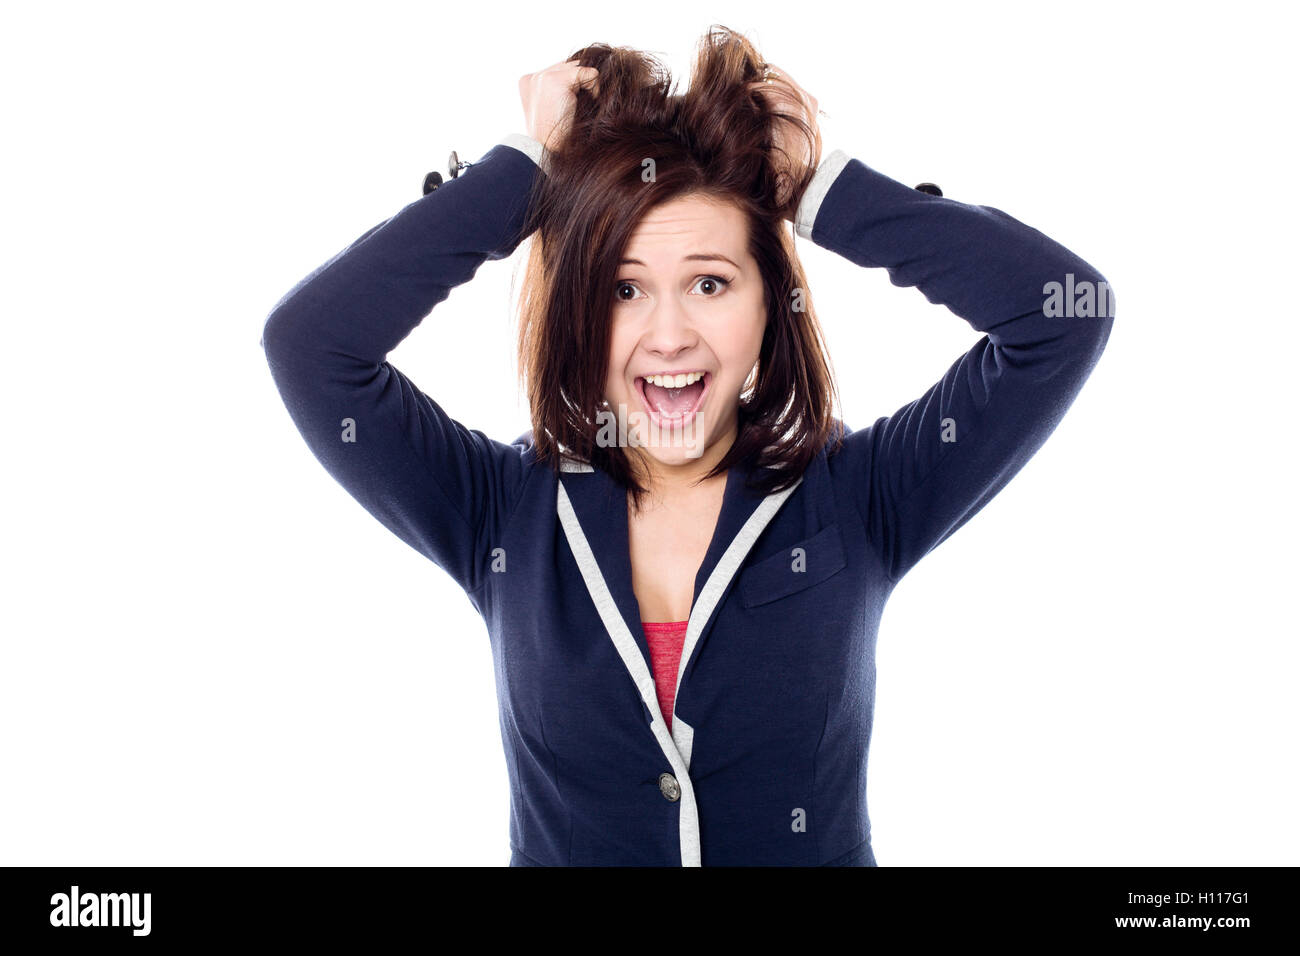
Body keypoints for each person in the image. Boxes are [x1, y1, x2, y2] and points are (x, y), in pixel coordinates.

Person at [259, 25, 1114, 866]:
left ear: (770, 302)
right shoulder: (500, 510)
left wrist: (821, 190)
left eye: (710, 282)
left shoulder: (858, 497)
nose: (668, 334)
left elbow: (1063, 310)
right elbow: (311, 345)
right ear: (577, 312)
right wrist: (519, 175)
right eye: (623, 288)